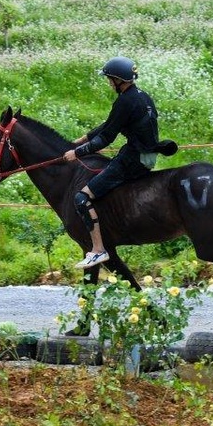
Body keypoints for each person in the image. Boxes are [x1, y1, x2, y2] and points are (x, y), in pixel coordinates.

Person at [64, 56, 161, 269]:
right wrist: (81, 139)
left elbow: (107, 137)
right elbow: (110, 124)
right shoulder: (142, 96)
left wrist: (78, 153)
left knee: (82, 197)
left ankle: (98, 250)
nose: (109, 83)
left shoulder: (125, 101)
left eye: (110, 79)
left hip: (132, 159)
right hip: (148, 155)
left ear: (120, 80)